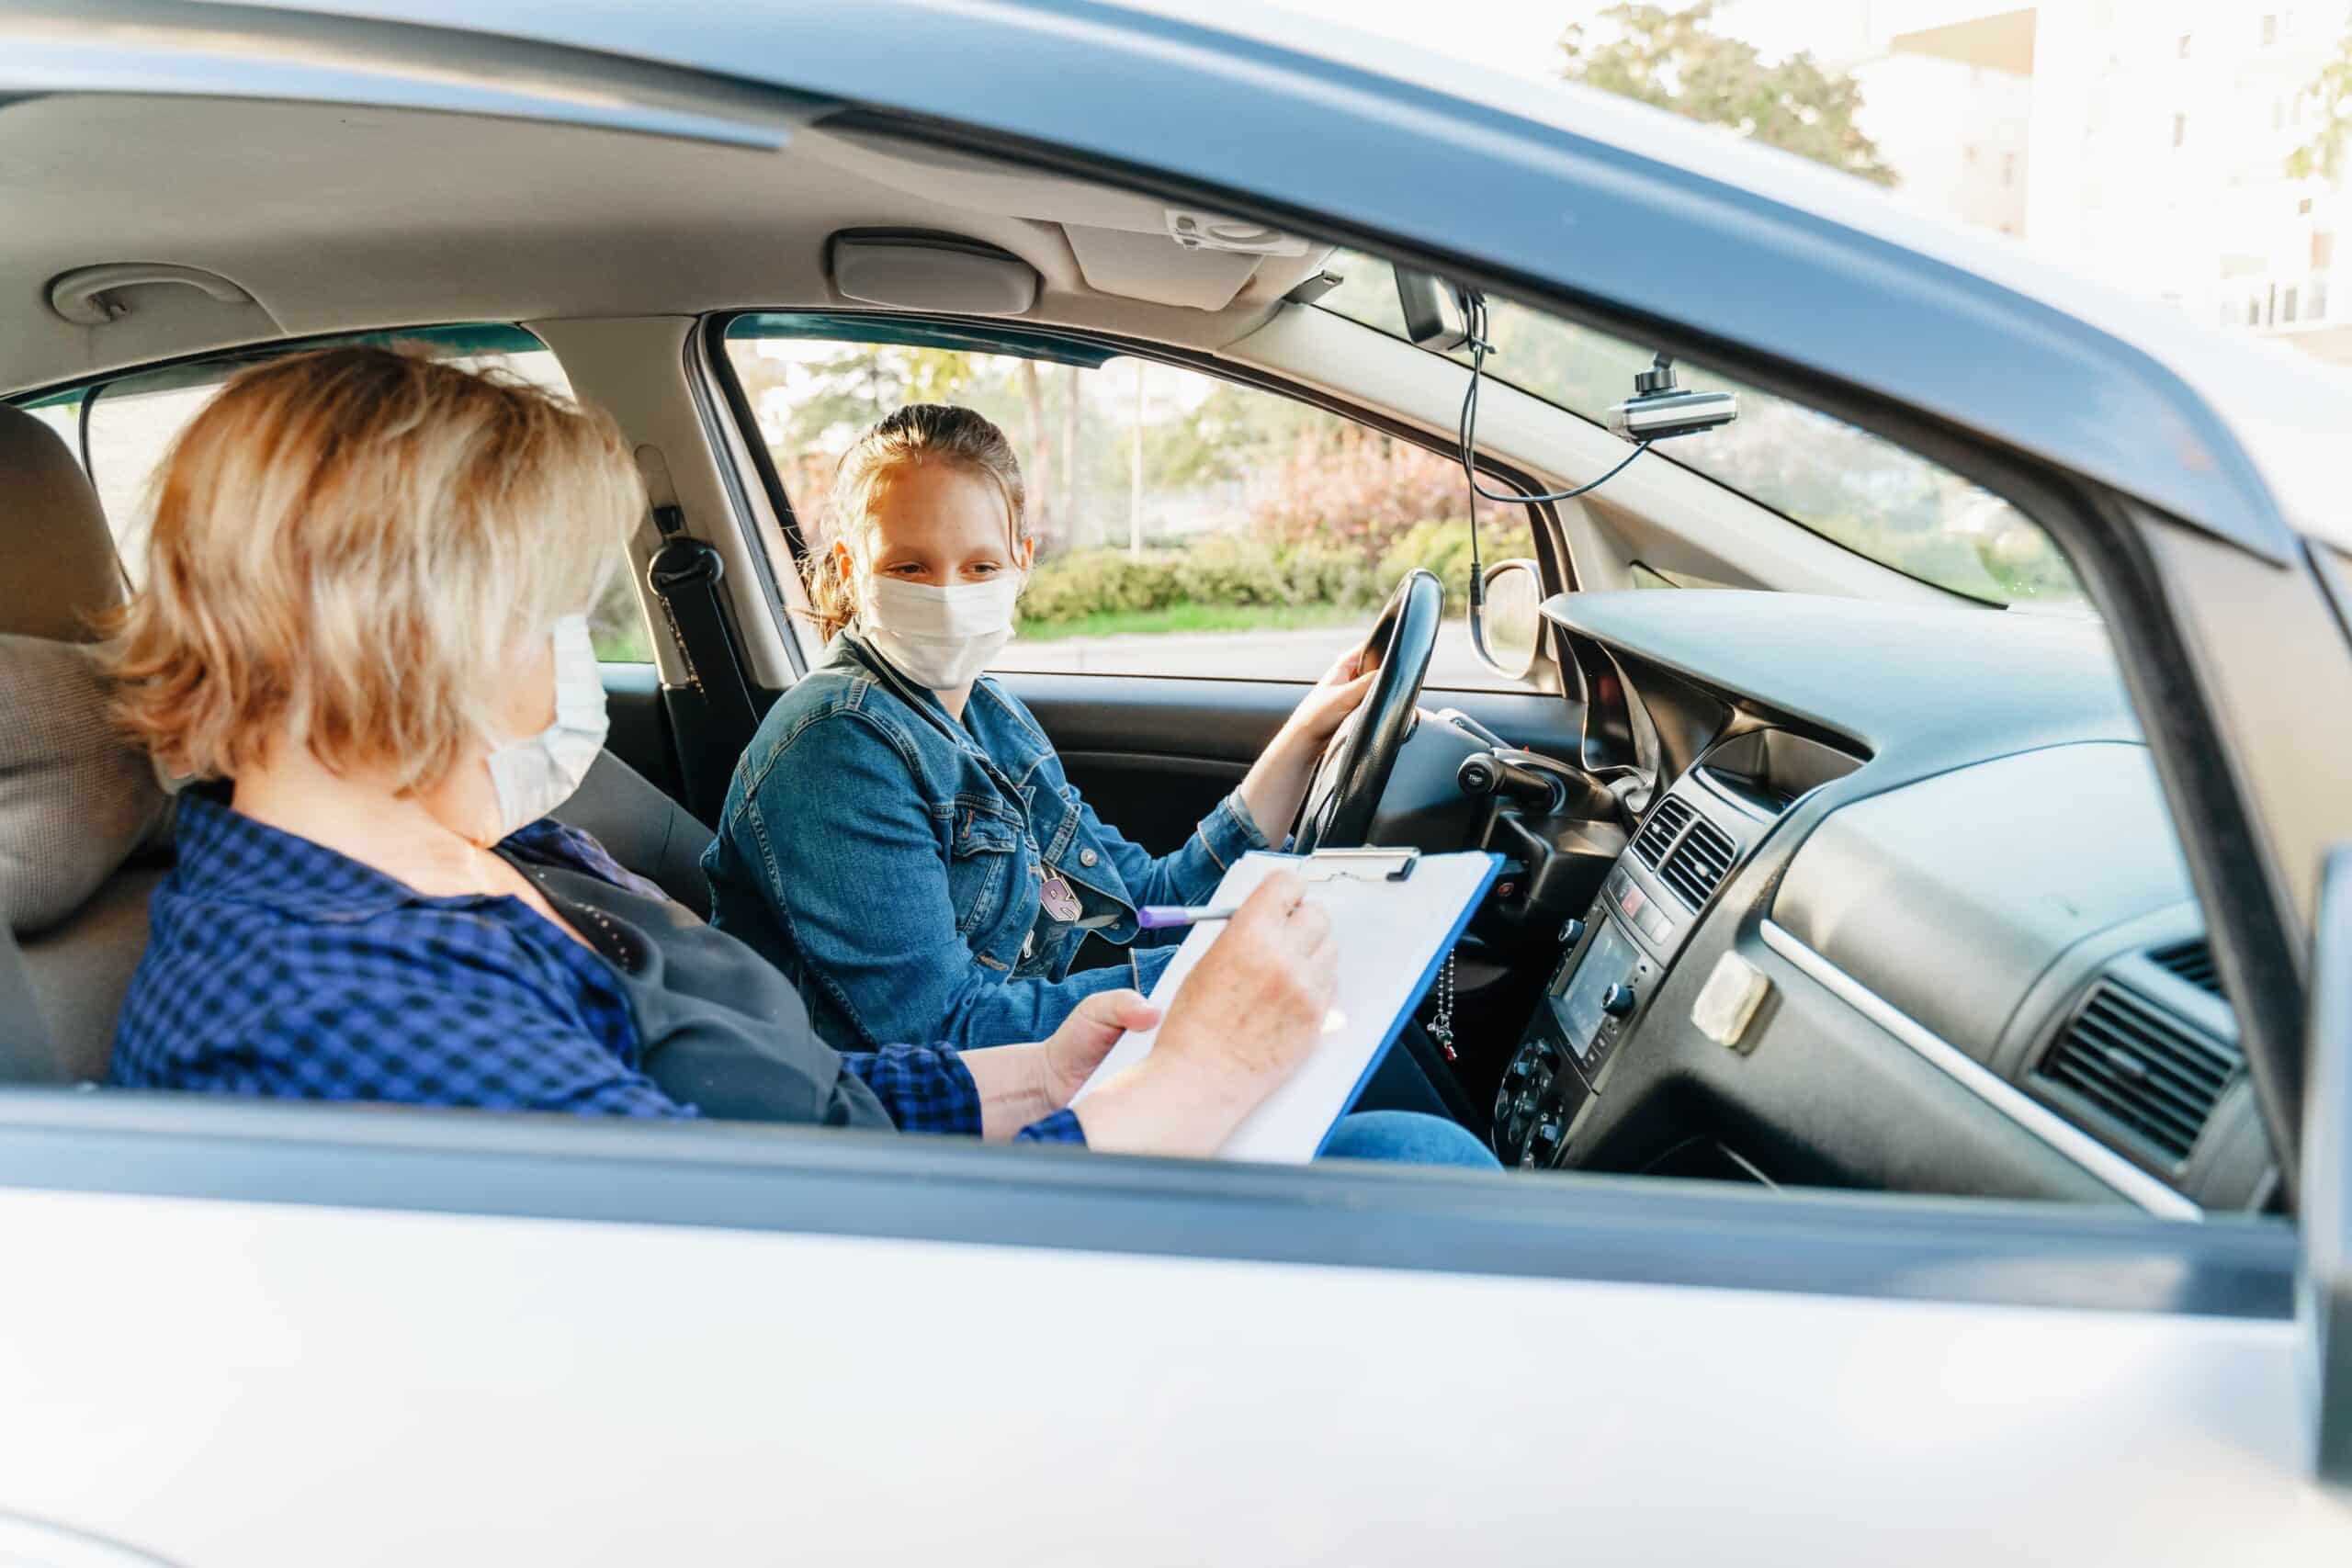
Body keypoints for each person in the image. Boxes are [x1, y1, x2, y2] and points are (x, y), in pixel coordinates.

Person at [102, 345, 1494, 1168]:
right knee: (1417, 1165)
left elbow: (788, 1103)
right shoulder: (330, 1006)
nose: (564, 660)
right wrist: (1185, 1082)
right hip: (897, 1322)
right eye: (548, 614)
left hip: (898, 1191)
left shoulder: (492, 854)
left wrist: (1040, 1074)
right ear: (407, 632)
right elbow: (789, 1288)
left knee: (1407, 1151)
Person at [703, 403, 1379, 1058]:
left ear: (1021, 564)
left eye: (980, 567)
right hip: (912, 1115)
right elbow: (944, 1036)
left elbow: (1147, 903)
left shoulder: (988, 714)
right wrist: (1219, 972)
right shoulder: (836, 745)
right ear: (852, 569)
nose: (947, 595)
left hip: (1032, 1073)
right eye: (909, 566)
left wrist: (1308, 736)